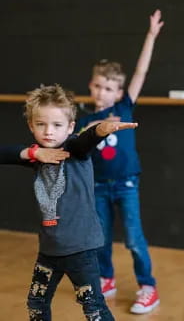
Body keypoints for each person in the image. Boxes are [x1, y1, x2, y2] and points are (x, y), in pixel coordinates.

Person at [0, 84, 137, 320]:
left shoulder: (74, 149)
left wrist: (101, 130)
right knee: (36, 303)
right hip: (49, 251)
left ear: (70, 126)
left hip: (80, 250)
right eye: (41, 124)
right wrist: (33, 153)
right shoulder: (38, 156)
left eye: (57, 125)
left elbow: (85, 141)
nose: (49, 132)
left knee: (93, 307)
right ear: (31, 126)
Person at [74, 9, 163, 314]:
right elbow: (76, 146)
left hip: (126, 184)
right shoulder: (84, 120)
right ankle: (106, 278)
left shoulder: (124, 106)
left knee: (134, 240)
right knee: (100, 240)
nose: (102, 92)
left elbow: (140, 72)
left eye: (109, 88)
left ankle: (148, 286)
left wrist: (150, 36)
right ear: (90, 85)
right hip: (97, 187)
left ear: (119, 92)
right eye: (98, 86)